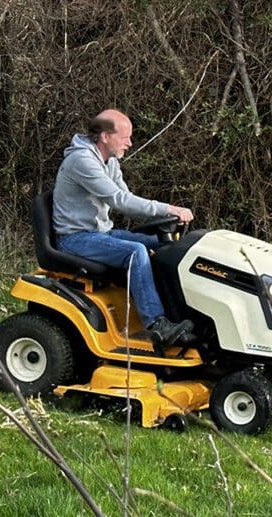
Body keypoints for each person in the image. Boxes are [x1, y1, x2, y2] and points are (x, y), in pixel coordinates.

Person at [52, 109, 194, 347]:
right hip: (75, 238)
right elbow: (120, 201)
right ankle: (157, 324)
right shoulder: (82, 161)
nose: (130, 143)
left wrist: (166, 216)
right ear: (105, 136)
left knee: (167, 244)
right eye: (125, 137)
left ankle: (181, 314)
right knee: (135, 252)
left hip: (100, 233)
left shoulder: (110, 161)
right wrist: (168, 208)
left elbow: (127, 200)